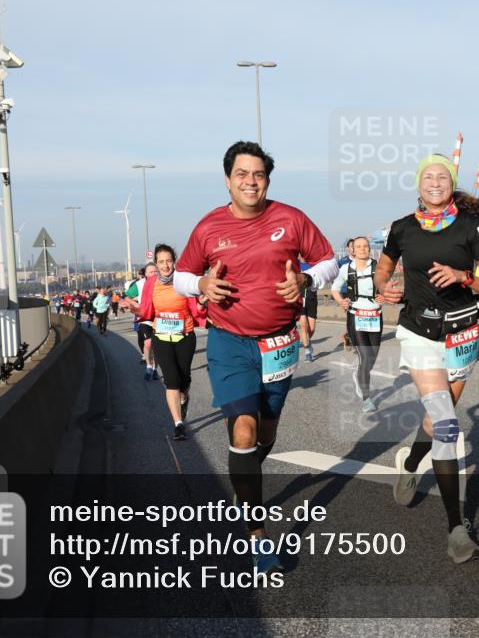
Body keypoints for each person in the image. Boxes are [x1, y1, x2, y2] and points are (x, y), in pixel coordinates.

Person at [174, 141, 338, 574]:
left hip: (279, 342)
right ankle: (257, 535)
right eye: (242, 174)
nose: (251, 181)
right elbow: (182, 275)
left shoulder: (291, 218)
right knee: (243, 430)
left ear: (267, 179)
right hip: (229, 341)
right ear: (228, 180)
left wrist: (305, 280)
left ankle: (244, 483)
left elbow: (328, 261)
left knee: (266, 431)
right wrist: (201, 286)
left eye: (259, 174)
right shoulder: (209, 226)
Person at [374, 155, 479, 564]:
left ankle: (410, 462)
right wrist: (384, 287)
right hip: (419, 333)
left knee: (436, 420)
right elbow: (382, 270)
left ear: (451, 183)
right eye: (428, 176)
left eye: (442, 176)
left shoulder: (472, 226)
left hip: (462, 334)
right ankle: (456, 530)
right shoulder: (401, 228)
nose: (435, 182)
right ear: (418, 184)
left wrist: (464, 277)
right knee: (447, 425)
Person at [125, 244, 207, 441]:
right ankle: (178, 424)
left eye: (168, 261)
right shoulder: (151, 283)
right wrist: (134, 309)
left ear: (174, 261)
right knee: (171, 381)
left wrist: (202, 303)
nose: (165, 265)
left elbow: (196, 309)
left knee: (184, 379)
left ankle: (184, 398)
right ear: (156, 263)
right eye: (161, 262)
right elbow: (146, 310)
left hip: (184, 336)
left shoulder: (183, 280)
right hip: (161, 337)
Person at [331, 236, 386, 412]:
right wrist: (342, 301)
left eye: (365, 246)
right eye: (359, 246)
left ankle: (358, 375)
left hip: (375, 316)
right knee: (365, 356)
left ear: (369, 248)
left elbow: (386, 288)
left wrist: (383, 296)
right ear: (352, 250)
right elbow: (334, 289)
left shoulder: (378, 267)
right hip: (356, 316)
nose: (363, 249)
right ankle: (366, 399)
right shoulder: (346, 269)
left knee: (372, 357)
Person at [127, 263, 160, 379]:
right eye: (151, 272)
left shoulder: (163, 281)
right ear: (145, 273)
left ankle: (155, 368)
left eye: (155, 271)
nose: (154, 274)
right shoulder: (139, 284)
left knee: (157, 346)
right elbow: (127, 296)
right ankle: (149, 366)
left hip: (159, 317)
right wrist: (136, 304)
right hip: (145, 317)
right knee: (148, 343)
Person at [298, 259, 319, 362]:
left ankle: (307, 342)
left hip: (312, 298)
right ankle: (307, 351)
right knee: (303, 326)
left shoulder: (314, 264)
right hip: (300, 298)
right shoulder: (295, 263)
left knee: (312, 328)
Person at [337, 238, 356, 353]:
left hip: (359, 292)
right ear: (348, 248)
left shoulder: (362, 260)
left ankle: (349, 336)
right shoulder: (342, 262)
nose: (353, 248)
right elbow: (335, 277)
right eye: (351, 246)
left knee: (357, 317)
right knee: (351, 316)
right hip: (346, 292)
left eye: (355, 246)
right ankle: (353, 340)